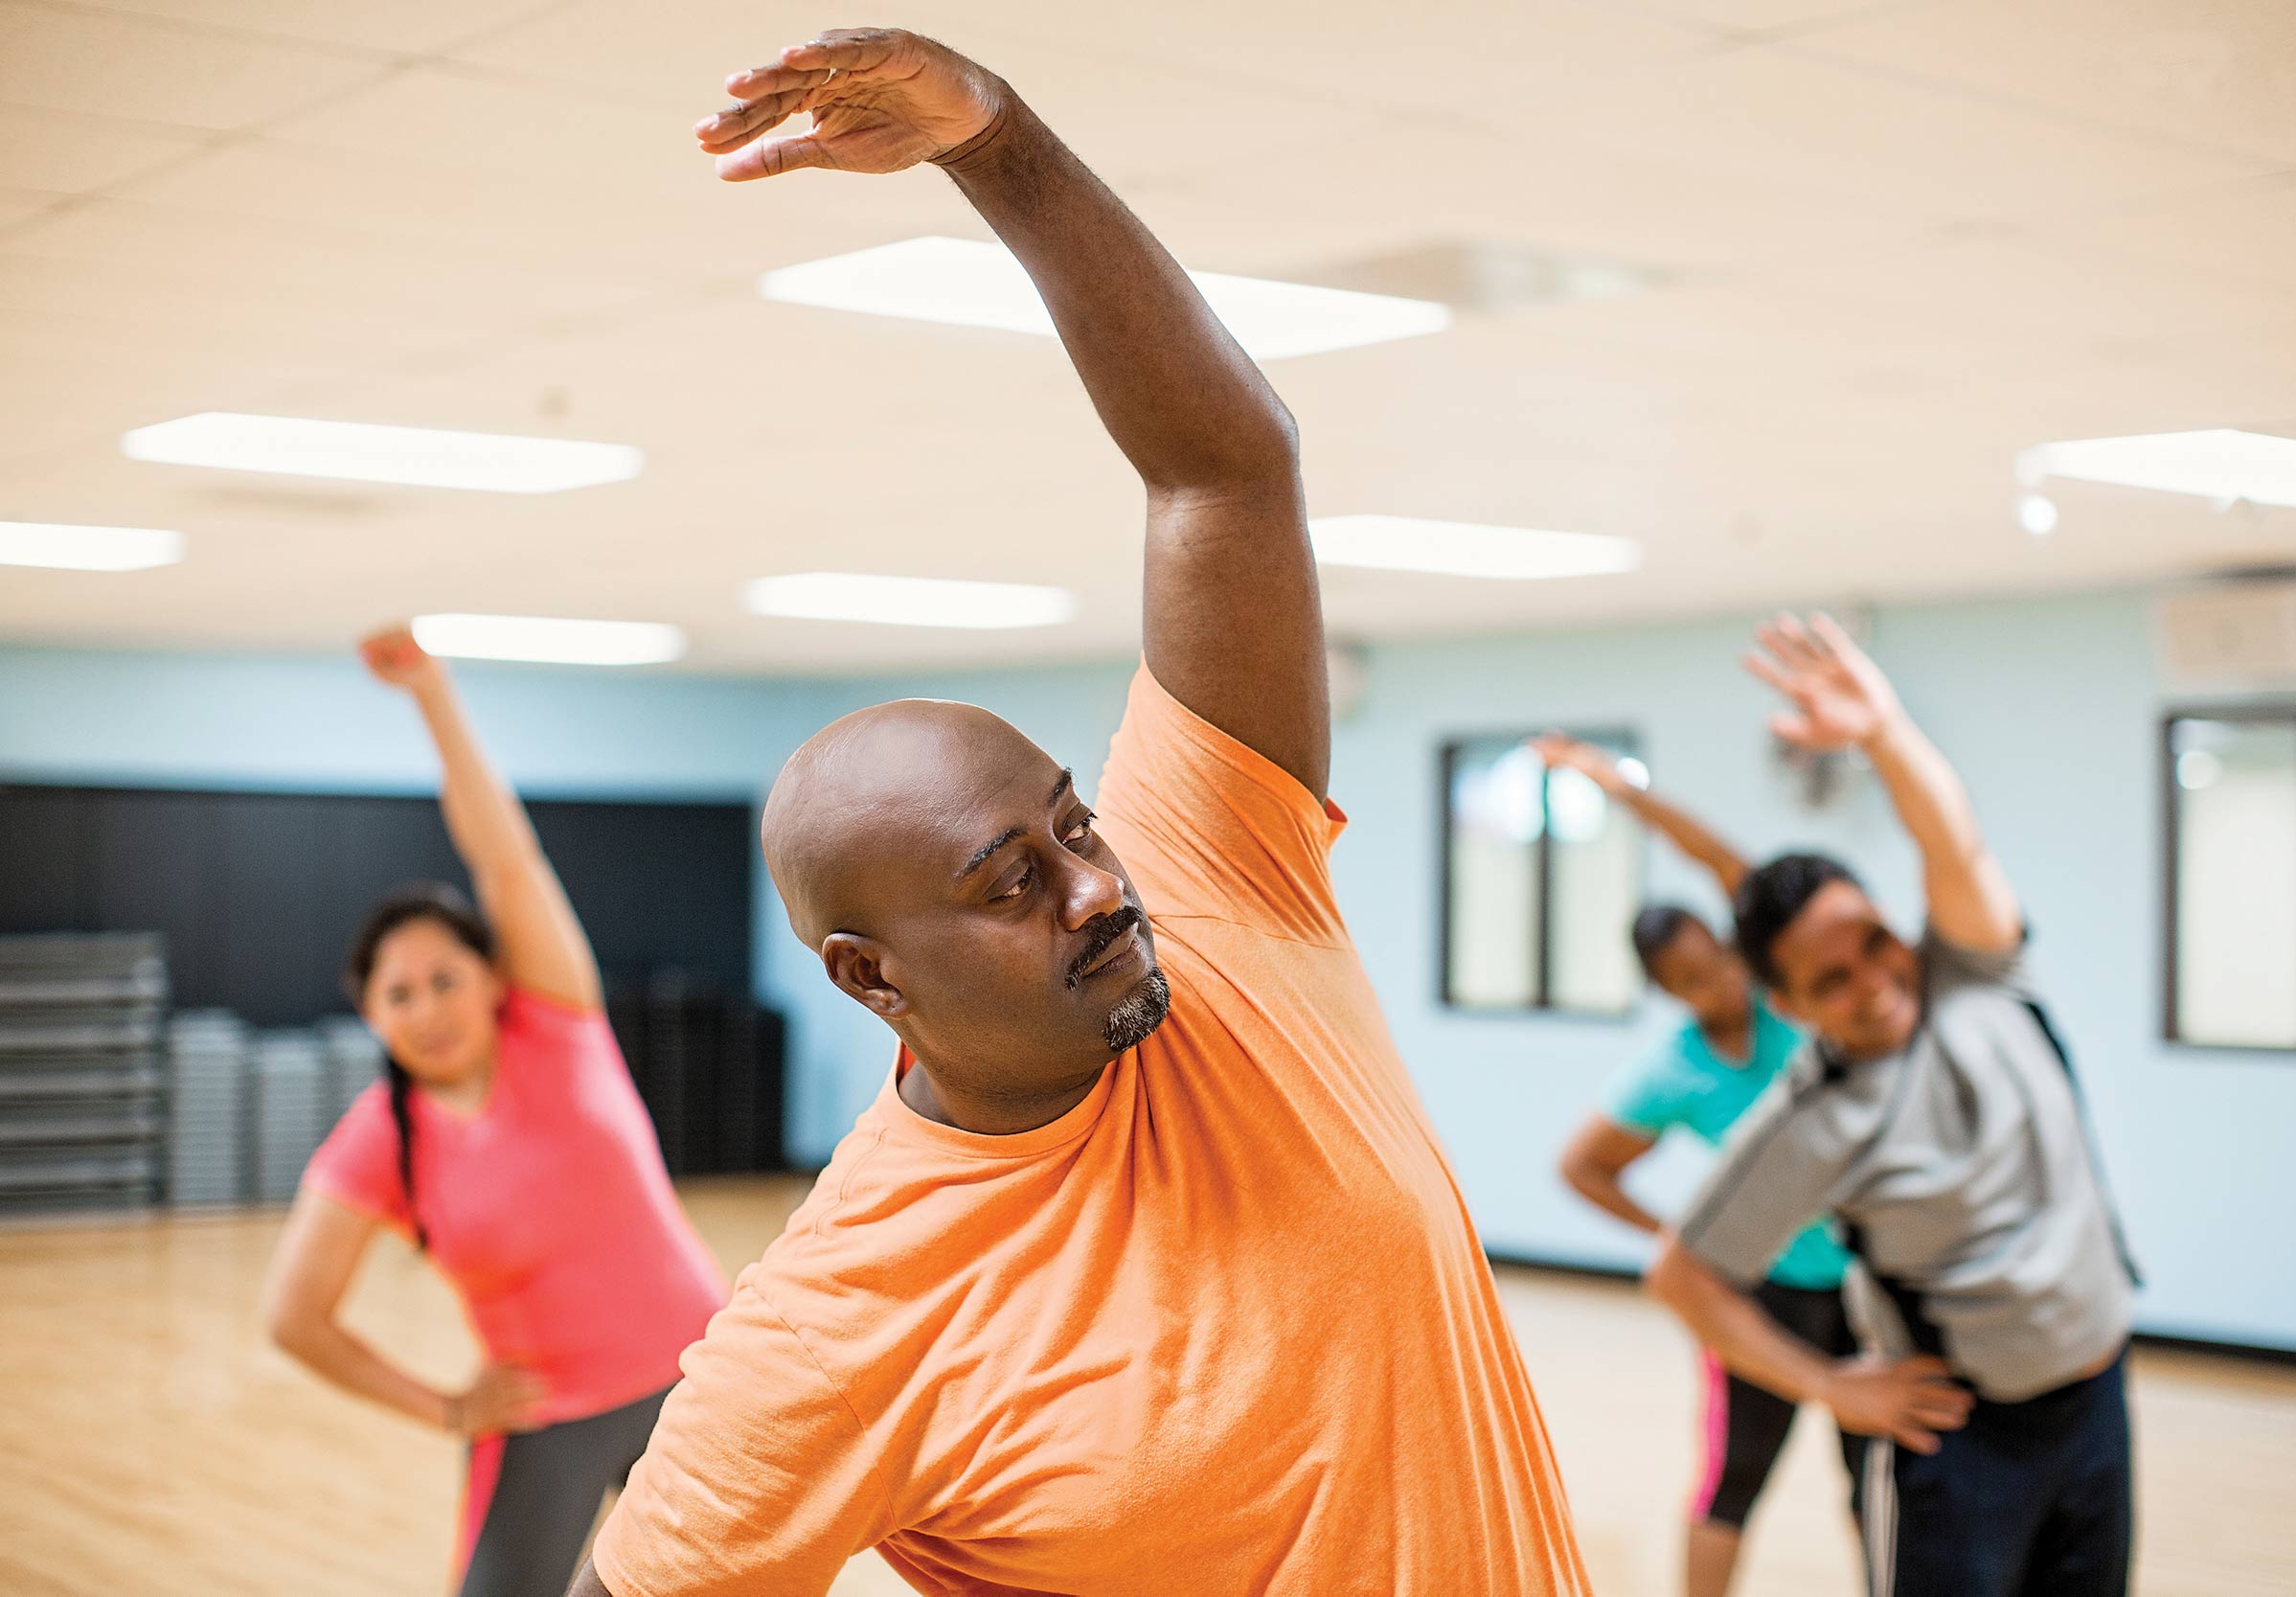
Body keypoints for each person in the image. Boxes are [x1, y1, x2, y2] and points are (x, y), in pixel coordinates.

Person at [572, 27, 1591, 1597]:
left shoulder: (1224, 893)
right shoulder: (841, 1320)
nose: (1095, 888)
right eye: (1005, 884)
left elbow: (1224, 475)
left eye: (1075, 826)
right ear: (868, 973)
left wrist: (1001, 143)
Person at [1647, 613, 2138, 1597]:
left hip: (2096, 1401)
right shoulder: (1808, 1121)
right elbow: (1683, 1275)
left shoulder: (1977, 972)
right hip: (1960, 1444)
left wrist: (1883, 733)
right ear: (1787, 1004)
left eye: (1873, 939)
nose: (1874, 979)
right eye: (1830, 978)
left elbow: (1950, 839)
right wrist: (1827, 1384)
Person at [263, 629, 729, 1597]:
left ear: (489, 976)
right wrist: (443, 1405)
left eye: (443, 977)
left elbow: (504, 855)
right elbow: (294, 1316)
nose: (426, 1006)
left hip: (701, 1380)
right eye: (398, 993)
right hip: (543, 1417)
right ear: (370, 1013)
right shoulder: (378, 1139)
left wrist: (430, 692)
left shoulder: (556, 1025)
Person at [1531, 734, 1866, 1597]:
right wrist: (1675, 1230)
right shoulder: (1673, 1070)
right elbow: (1583, 1165)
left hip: (1870, 1275)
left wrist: (1618, 787)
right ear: (1670, 991)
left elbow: (1722, 858)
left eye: (1715, 957)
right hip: (1764, 1289)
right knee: (1734, 1479)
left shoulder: (1783, 990)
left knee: (1882, 1480)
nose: (1713, 980)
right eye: (1689, 977)